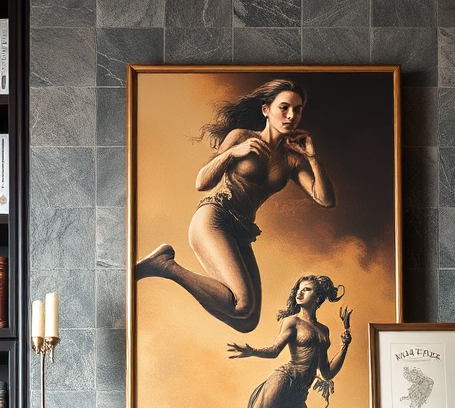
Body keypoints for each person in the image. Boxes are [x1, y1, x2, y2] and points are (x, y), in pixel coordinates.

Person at [135, 78, 335, 333]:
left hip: (241, 232)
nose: (291, 115)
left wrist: (312, 157)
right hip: (215, 217)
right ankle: (166, 266)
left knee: (248, 322)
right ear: (266, 110)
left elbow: (326, 200)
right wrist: (231, 153)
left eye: (297, 110)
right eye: (284, 107)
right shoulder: (241, 137)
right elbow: (202, 182)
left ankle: (165, 266)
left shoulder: (292, 161)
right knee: (241, 305)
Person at [229, 275, 352, 408]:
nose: (299, 293)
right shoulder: (292, 321)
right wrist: (252, 351)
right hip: (285, 379)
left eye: (306, 289)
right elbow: (275, 350)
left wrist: (345, 346)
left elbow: (327, 373)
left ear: (317, 297)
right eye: (299, 289)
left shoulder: (324, 330)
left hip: (301, 391)